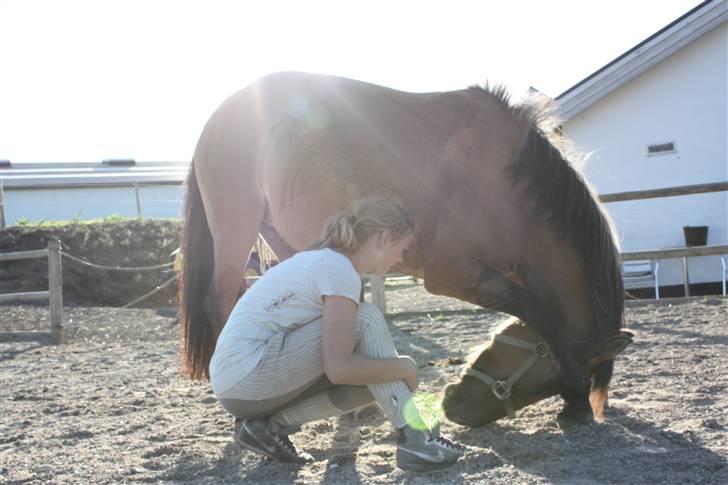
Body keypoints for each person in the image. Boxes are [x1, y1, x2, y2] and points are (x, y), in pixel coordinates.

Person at [209, 195, 466, 471]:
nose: (401, 259)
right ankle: (418, 440)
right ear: (385, 238)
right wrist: (406, 366)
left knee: (372, 381)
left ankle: (268, 426)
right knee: (366, 319)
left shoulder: (325, 262)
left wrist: (395, 374)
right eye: (403, 249)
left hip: (238, 383)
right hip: (246, 375)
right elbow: (339, 369)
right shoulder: (338, 268)